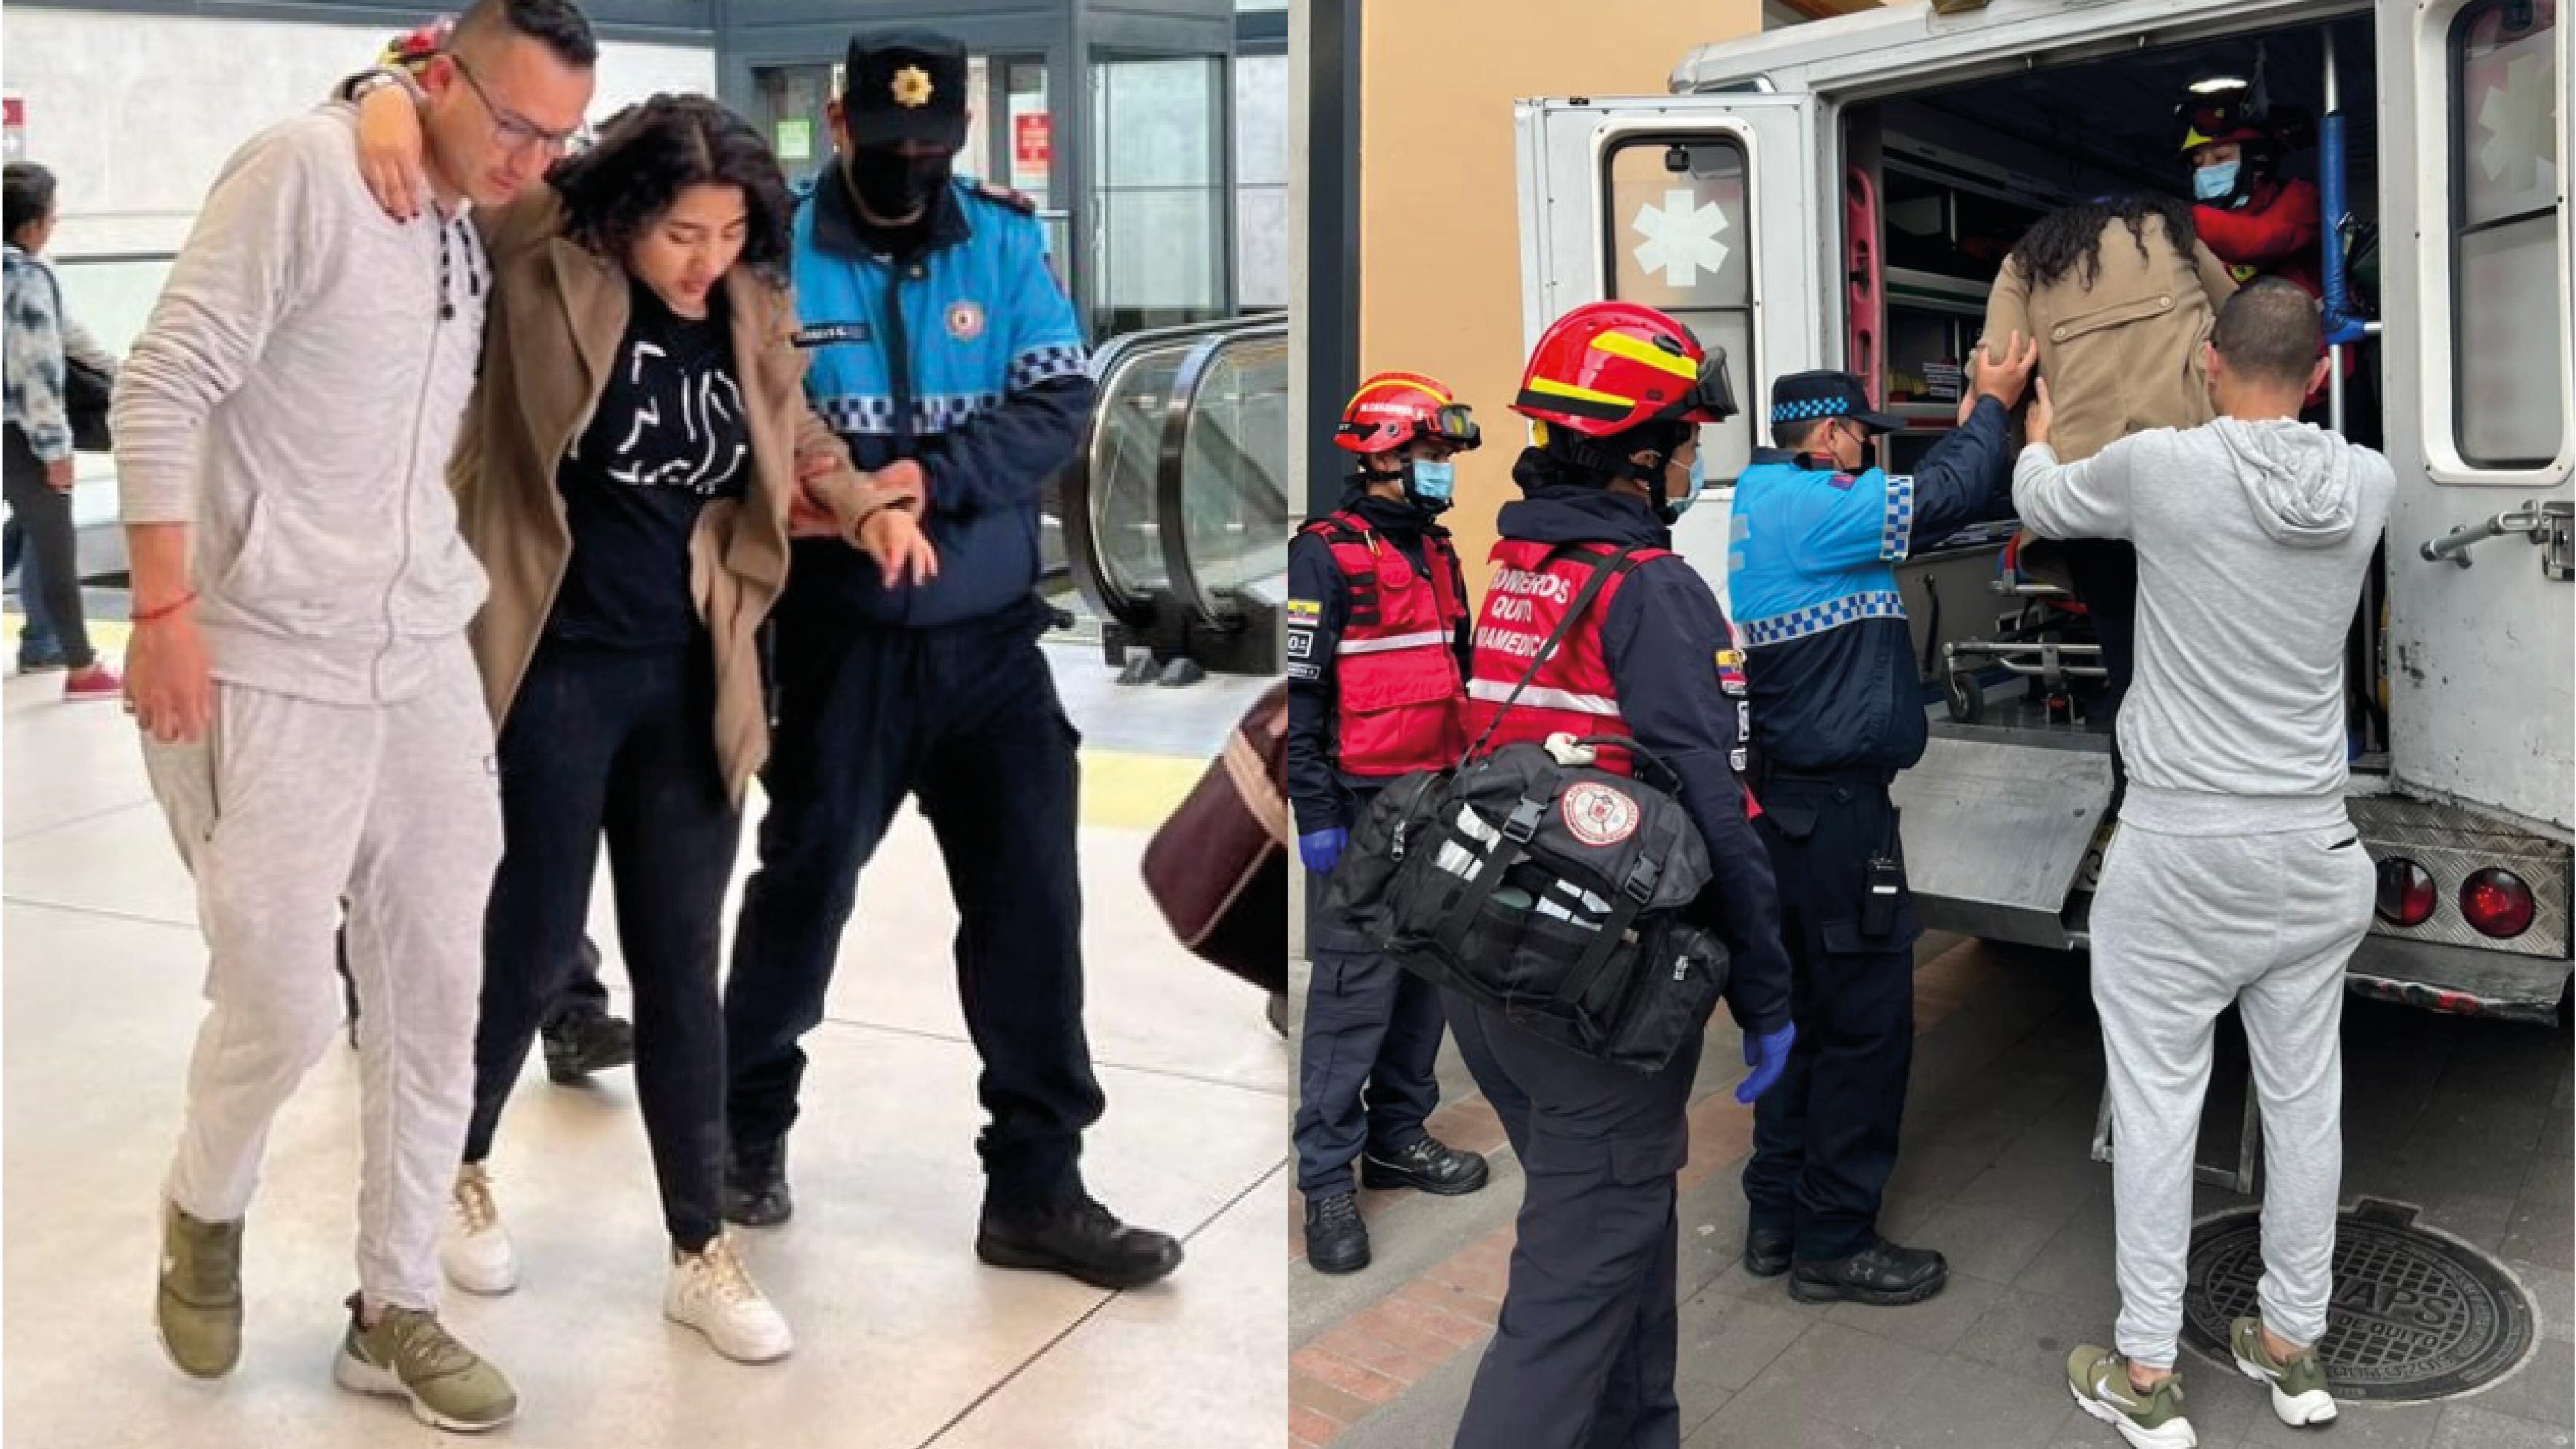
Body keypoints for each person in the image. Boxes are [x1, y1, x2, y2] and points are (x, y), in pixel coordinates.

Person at [347, 81, 934, 1357]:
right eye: (682, 233)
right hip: (551, 663)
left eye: (728, 234)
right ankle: (454, 1160)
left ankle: (696, 1242)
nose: (705, 259)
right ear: (622, 216)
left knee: (680, 963)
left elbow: (796, 427)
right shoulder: (541, 253)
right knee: (527, 939)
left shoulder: (750, 301)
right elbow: (459, 152)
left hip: (692, 676)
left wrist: (869, 503)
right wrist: (379, 93)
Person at [110, 0, 596, 1427]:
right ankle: (207, 1200)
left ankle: (396, 1308)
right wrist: (163, 611)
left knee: (442, 979)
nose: (530, 159)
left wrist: (414, 102)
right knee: (282, 988)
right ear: (437, 75)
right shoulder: (308, 172)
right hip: (265, 651)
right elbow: (160, 382)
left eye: (554, 136)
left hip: (420, 648)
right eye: (510, 121)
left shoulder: (466, 210)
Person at [719, 26, 1181, 1289]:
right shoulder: (768, 249)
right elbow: (743, 413)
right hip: (833, 638)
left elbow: (1055, 399)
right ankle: (742, 1130)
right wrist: (826, 491)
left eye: (935, 145)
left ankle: (1037, 1185)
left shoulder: (1002, 238)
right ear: (838, 118)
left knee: (1033, 906)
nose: (910, 165)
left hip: (986, 641)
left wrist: (936, 476)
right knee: (803, 887)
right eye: (888, 141)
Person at [2025, 280, 2386, 1449]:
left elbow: (2046, 498)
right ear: (2321, 375)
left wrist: (2026, 427)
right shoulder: (2368, 481)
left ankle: (2144, 1367)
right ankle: (2291, 1346)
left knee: (2157, 1106)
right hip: (2315, 849)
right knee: (2303, 1103)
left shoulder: (2165, 468)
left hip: (2180, 855)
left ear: (2205, 360)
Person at [1445, 301, 1796, 1449]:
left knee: (1620, 1243)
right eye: (1691, 443)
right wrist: (1769, 995)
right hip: (1593, 995)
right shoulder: (1649, 588)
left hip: (1494, 968)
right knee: (1563, 1306)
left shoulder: (1518, 563)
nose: (1698, 462)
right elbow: (1718, 803)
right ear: (1643, 459)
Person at [1727, 338, 2033, 1309]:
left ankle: (1776, 1215)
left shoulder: (1769, 504)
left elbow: (1959, 505)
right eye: (1862, 433)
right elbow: (1939, 497)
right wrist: (1989, 404)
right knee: (1865, 1029)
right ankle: (1836, 1239)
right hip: (1837, 818)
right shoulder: (1806, 507)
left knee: (1803, 1024)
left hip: (1793, 809)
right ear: (1826, 432)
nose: (1869, 451)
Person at [1287, 372, 1491, 1275]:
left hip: (1438, 799)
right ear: (1380, 456)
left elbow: (1462, 673)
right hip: (1362, 809)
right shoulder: (1323, 555)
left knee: (1425, 976)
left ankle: (1398, 1135)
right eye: (1432, 454)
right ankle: (1327, 1178)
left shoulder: (1438, 553)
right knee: (1350, 995)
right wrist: (1317, 809)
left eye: (1445, 457)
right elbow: (1299, 694)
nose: (1443, 470)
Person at [1980, 194, 2236, 735]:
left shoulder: (2024, 265)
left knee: (2126, 670)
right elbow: (2239, 328)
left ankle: (2132, 797)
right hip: (2192, 481)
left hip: (2089, 499)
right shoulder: (2175, 238)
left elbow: (1995, 367)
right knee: (2209, 664)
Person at [3, 161, 121, 700]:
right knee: (55, 542)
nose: (55, 222)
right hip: (20, 435)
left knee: (26, 526)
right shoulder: (24, 277)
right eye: (51, 215)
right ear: (30, 226)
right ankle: (77, 664)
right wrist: (55, 448)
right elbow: (40, 368)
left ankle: (53, 647)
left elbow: (69, 334)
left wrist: (120, 371)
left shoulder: (26, 273)